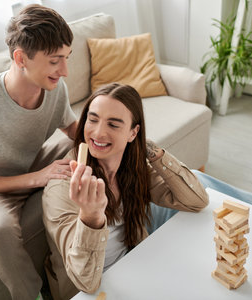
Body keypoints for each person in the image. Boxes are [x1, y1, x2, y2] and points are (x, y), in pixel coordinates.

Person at [0, 4, 78, 300]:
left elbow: (73, 131)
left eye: (66, 58)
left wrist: (106, 133)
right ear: (21, 58)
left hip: (35, 160)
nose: (65, 70)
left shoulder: (54, 87)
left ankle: (86, 259)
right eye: (55, 61)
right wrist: (37, 178)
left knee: (91, 149)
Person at [42, 83, 210, 299]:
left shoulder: (132, 169)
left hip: (135, 267)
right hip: (91, 290)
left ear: (133, 132)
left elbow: (196, 201)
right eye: (92, 120)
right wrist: (91, 217)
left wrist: (150, 150)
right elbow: (86, 281)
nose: (98, 132)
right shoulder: (63, 186)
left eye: (113, 124)